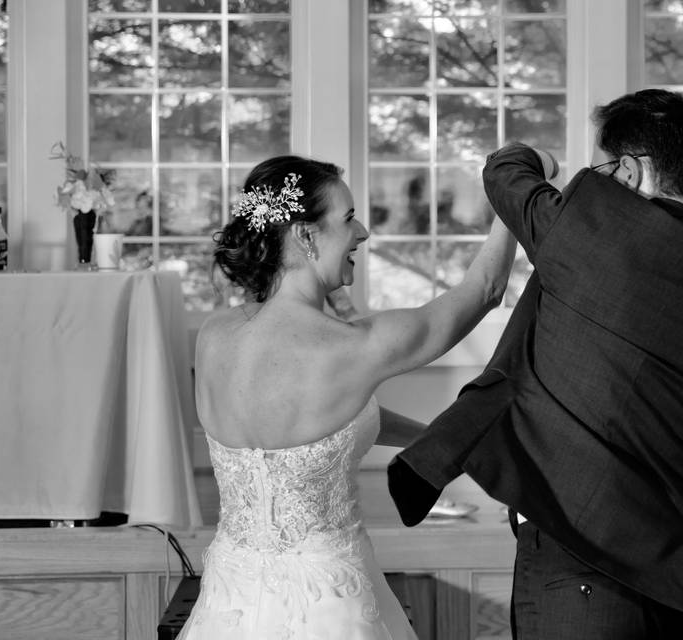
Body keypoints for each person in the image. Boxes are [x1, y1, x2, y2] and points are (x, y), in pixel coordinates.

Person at [388, 89, 683, 639]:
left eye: (604, 167)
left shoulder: (593, 231)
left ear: (633, 172)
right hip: (676, 569)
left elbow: (504, 173)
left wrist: (540, 161)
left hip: (576, 559)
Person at [178, 154, 517, 639]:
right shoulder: (351, 347)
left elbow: (329, 418)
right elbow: (485, 288)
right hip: (328, 606)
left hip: (229, 598)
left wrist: (437, 442)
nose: (362, 234)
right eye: (348, 219)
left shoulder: (213, 334)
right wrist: (514, 190)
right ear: (306, 235)